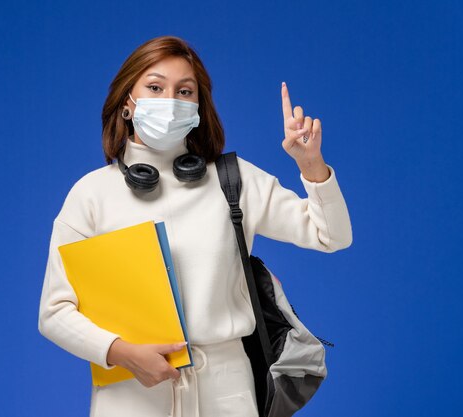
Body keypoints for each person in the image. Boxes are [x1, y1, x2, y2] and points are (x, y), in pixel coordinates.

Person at [38, 35, 352, 417]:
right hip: (131, 391)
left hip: (226, 388)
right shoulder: (91, 194)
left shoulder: (233, 181)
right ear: (126, 102)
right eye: (155, 87)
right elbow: (54, 311)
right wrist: (120, 352)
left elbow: (331, 235)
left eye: (184, 91)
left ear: (199, 106)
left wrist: (311, 165)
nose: (170, 101)